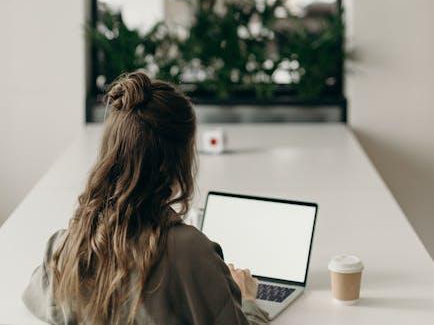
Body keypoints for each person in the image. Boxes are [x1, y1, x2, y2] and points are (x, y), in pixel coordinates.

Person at [23, 71, 269, 324]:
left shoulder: (65, 247)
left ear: (111, 154)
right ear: (179, 161)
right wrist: (247, 298)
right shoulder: (191, 253)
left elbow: (36, 297)